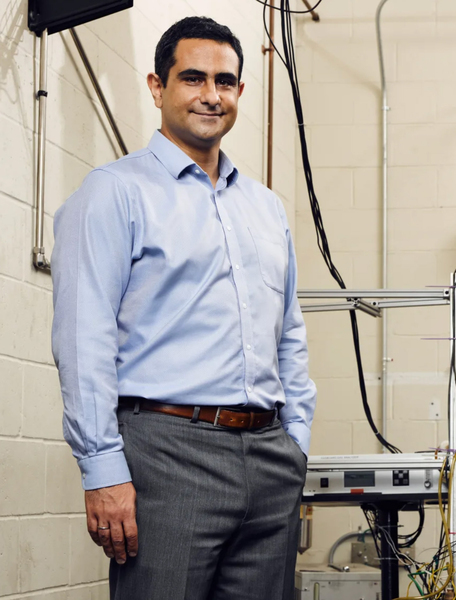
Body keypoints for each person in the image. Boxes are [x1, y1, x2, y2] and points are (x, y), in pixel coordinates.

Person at [50, 16, 316, 600]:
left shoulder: (266, 208)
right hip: (167, 455)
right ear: (157, 87)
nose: (210, 95)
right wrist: (103, 470)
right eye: (192, 78)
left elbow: (288, 333)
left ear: (240, 93)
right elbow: (81, 339)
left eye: (225, 81)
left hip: (269, 457)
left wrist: (296, 439)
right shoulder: (113, 194)